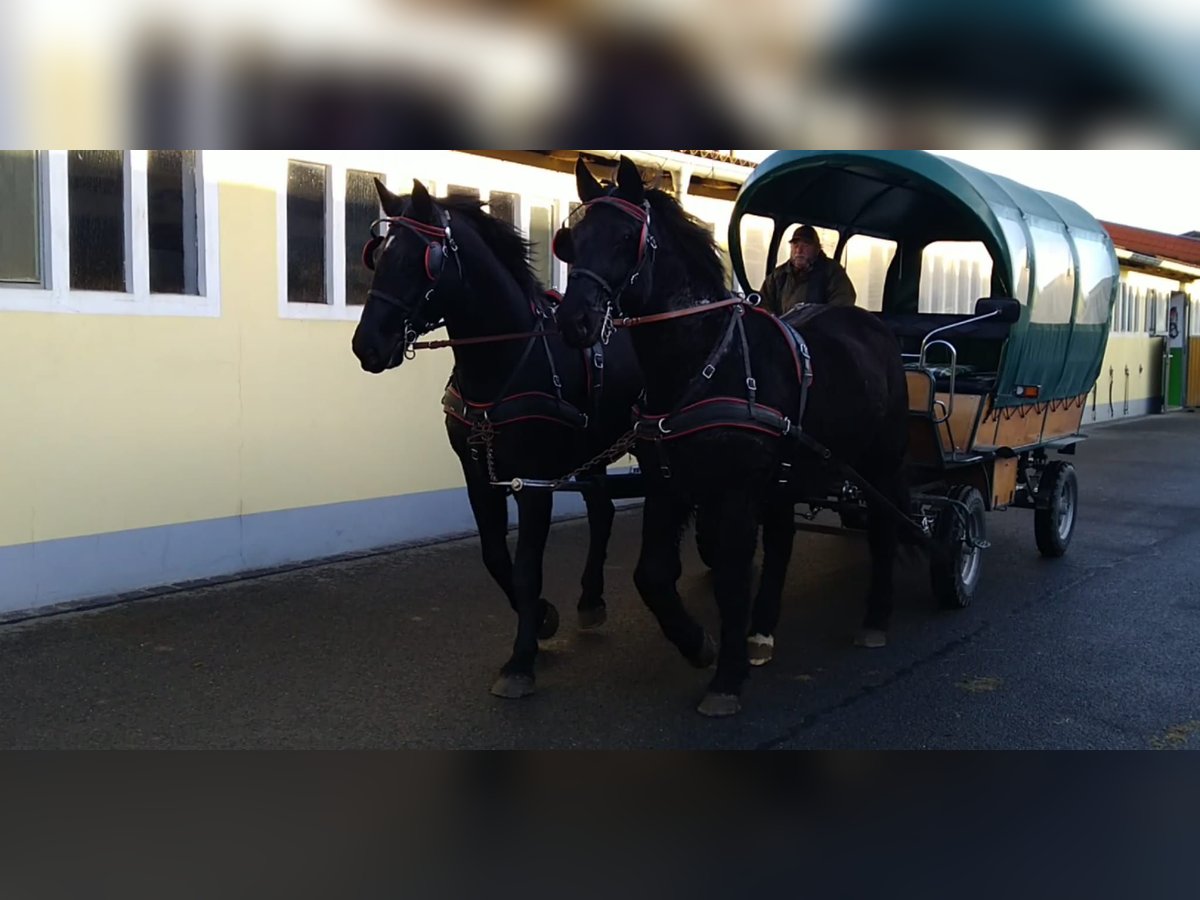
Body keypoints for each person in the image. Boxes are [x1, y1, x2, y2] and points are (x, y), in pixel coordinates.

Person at [759, 225, 856, 315]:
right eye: (795, 245)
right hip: (784, 332)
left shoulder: (832, 272)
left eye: (805, 245)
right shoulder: (778, 275)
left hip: (816, 332)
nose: (799, 251)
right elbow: (763, 303)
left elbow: (842, 305)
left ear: (817, 249)